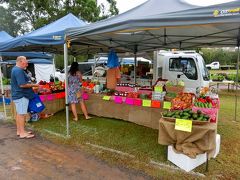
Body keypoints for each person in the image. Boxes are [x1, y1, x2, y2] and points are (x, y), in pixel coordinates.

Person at [11, 56, 39, 139]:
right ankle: (22, 133)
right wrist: (35, 85)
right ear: (20, 61)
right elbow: (22, 84)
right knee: (22, 114)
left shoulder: (15, 69)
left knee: (19, 114)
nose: (26, 64)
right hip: (21, 95)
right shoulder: (18, 70)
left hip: (18, 95)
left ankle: (19, 131)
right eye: (25, 62)